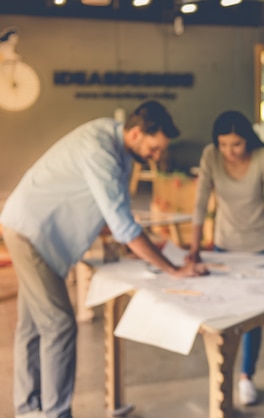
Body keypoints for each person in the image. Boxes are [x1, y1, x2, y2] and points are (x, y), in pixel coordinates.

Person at [1, 100, 208, 418]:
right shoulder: (101, 150)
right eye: (154, 148)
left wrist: (138, 248)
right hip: (32, 235)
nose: (156, 157)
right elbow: (124, 227)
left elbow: (116, 215)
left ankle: (28, 410)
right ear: (137, 133)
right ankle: (55, 413)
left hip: (35, 234)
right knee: (58, 325)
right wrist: (172, 269)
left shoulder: (120, 150)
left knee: (32, 326)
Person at [186, 110, 264, 406]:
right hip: (224, 245)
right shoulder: (211, 156)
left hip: (261, 245)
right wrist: (194, 248)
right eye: (224, 144)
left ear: (248, 140)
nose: (229, 151)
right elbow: (201, 201)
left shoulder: (262, 158)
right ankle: (221, 378)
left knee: (252, 318)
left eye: (236, 144)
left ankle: (246, 377)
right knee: (226, 313)